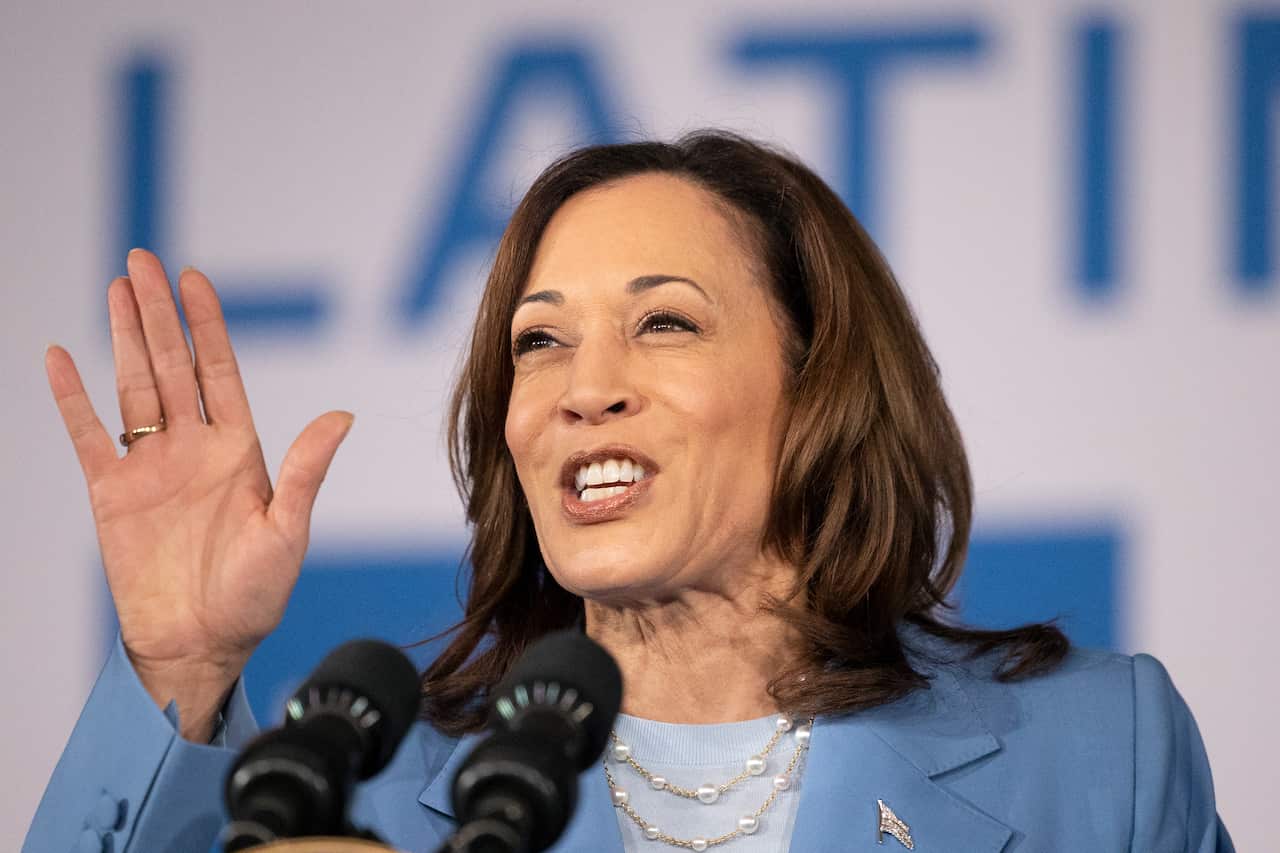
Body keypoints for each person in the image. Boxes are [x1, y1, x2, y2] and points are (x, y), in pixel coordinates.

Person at [25, 132, 1231, 852]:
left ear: (816, 382)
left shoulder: (1096, 752)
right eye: (537, 343)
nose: (582, 390)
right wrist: (182, 666)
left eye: (662, 322)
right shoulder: (365, 795)